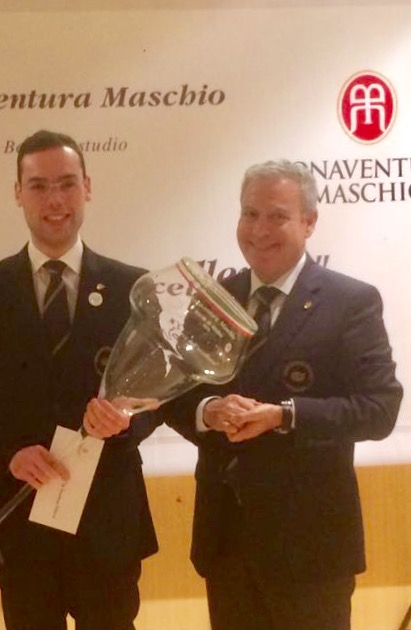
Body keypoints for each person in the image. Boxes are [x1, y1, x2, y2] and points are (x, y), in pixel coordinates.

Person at [165, 159, 403, 630]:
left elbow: (379, 409)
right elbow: (174, 397)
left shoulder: (350, 302)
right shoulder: (214, 299)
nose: (259, 230)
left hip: (311, 549)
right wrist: (209, 410)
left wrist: (285, 415)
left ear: (309, 222)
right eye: (250, 214)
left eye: (277, 216)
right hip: (227, 542)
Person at [0, 129, 158, 630]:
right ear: (18, 193)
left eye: (66, 184)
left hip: (107, 520)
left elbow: (155, 396)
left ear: (87, 187)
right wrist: (7, 454)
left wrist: (127, 421)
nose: (54, 200)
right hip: (18, 519)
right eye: (38, 186)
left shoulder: (133, 287)